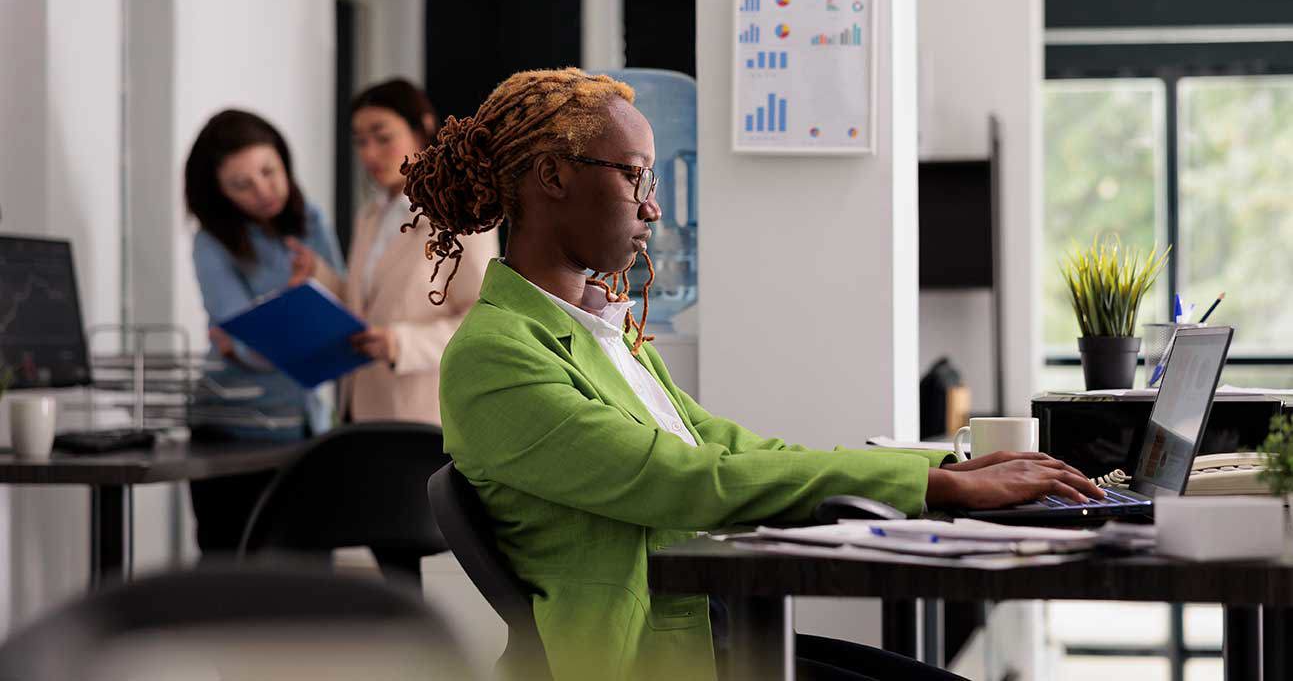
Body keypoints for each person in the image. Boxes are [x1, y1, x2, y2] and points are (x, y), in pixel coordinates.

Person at [405, 68, 1104, 681]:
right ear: (553, 176)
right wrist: (936, 485)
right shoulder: (495, 355)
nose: (652, 206)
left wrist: (947, 462)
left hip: (712, 630)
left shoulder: (598, 333)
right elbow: (680, 480)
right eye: (635, 175)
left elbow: (736, 452)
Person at [288, 79, 495, 425]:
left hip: (423, 416)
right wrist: (318, 274)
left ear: (423, 129)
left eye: (383, 138)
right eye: (360, 141)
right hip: (360, 409)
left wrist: (401, 343)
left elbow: (482, 321)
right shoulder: (370, 214)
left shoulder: (461, 213)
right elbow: (368, 307)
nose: (369, 154)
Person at [184, 108, 345, 554]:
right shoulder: (211, 242)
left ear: (284, 162)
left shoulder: (310, 220)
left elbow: (345, 302)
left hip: (304, 425)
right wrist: (273, 332)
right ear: (217, 192)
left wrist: (316, 287)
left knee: (310, 566)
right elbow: (244, 339)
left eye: (269, 172)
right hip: (233, 426)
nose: (262, 190)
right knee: (232, 566)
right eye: (241, 184)